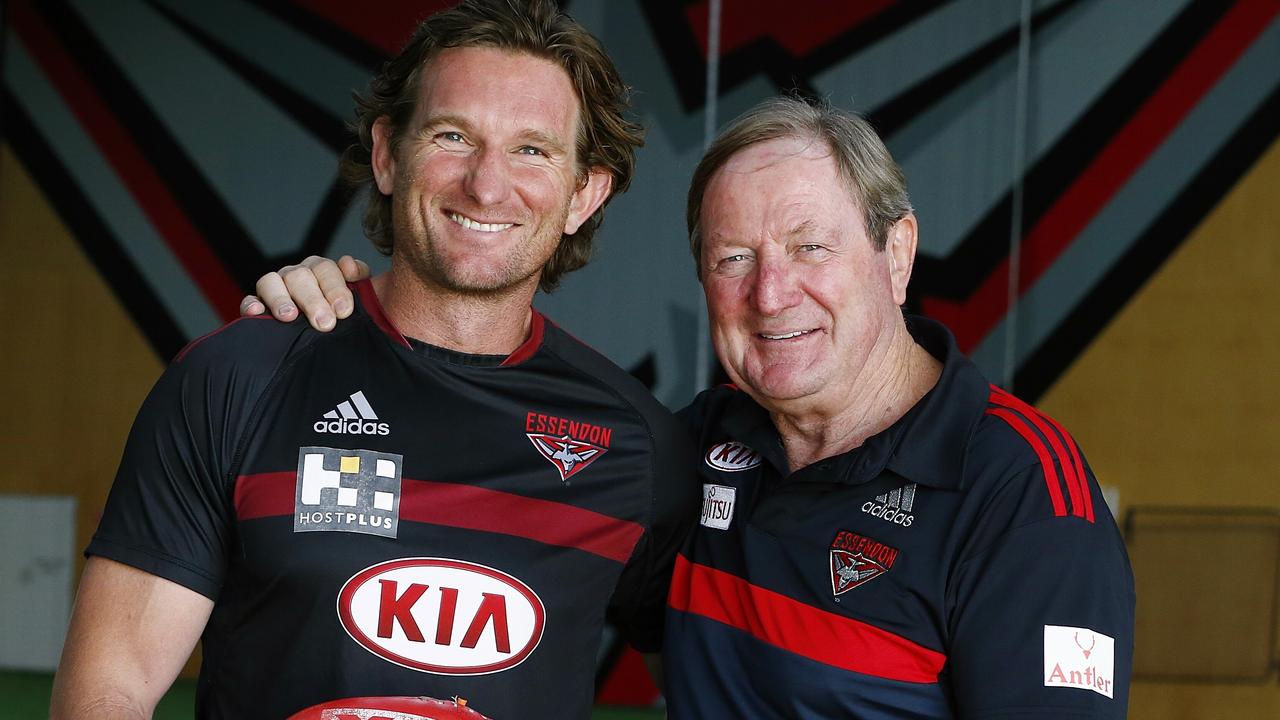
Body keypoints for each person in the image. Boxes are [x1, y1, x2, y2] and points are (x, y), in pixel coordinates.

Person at [261, 97, 1135, 718]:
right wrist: (345, 326)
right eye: (732, 260)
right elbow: (479, 511)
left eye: (810, 247)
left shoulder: (1026, 497)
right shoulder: (698, 447)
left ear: (895, 253)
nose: (771, 293)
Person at [50, 2, 697, 718]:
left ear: (584, 194)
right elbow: (109, 690)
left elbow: (723, 682)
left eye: (532, 150)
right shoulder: (240, 378)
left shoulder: (638, 447)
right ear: (388, 154)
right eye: (454, 136)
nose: (486, 184)